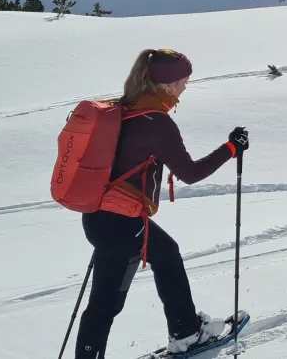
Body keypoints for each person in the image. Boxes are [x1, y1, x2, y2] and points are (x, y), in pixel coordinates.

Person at [74, 49, 250, 359]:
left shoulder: (123, 108)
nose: (185, 87)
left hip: (98, 216)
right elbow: (190, 173)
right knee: (158, 261)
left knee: (107, 301)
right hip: (120, 223)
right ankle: (185, 333)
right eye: (183, 81)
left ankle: (183, 331)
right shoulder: (157, 123)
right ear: (167, 85)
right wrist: (231, 148)